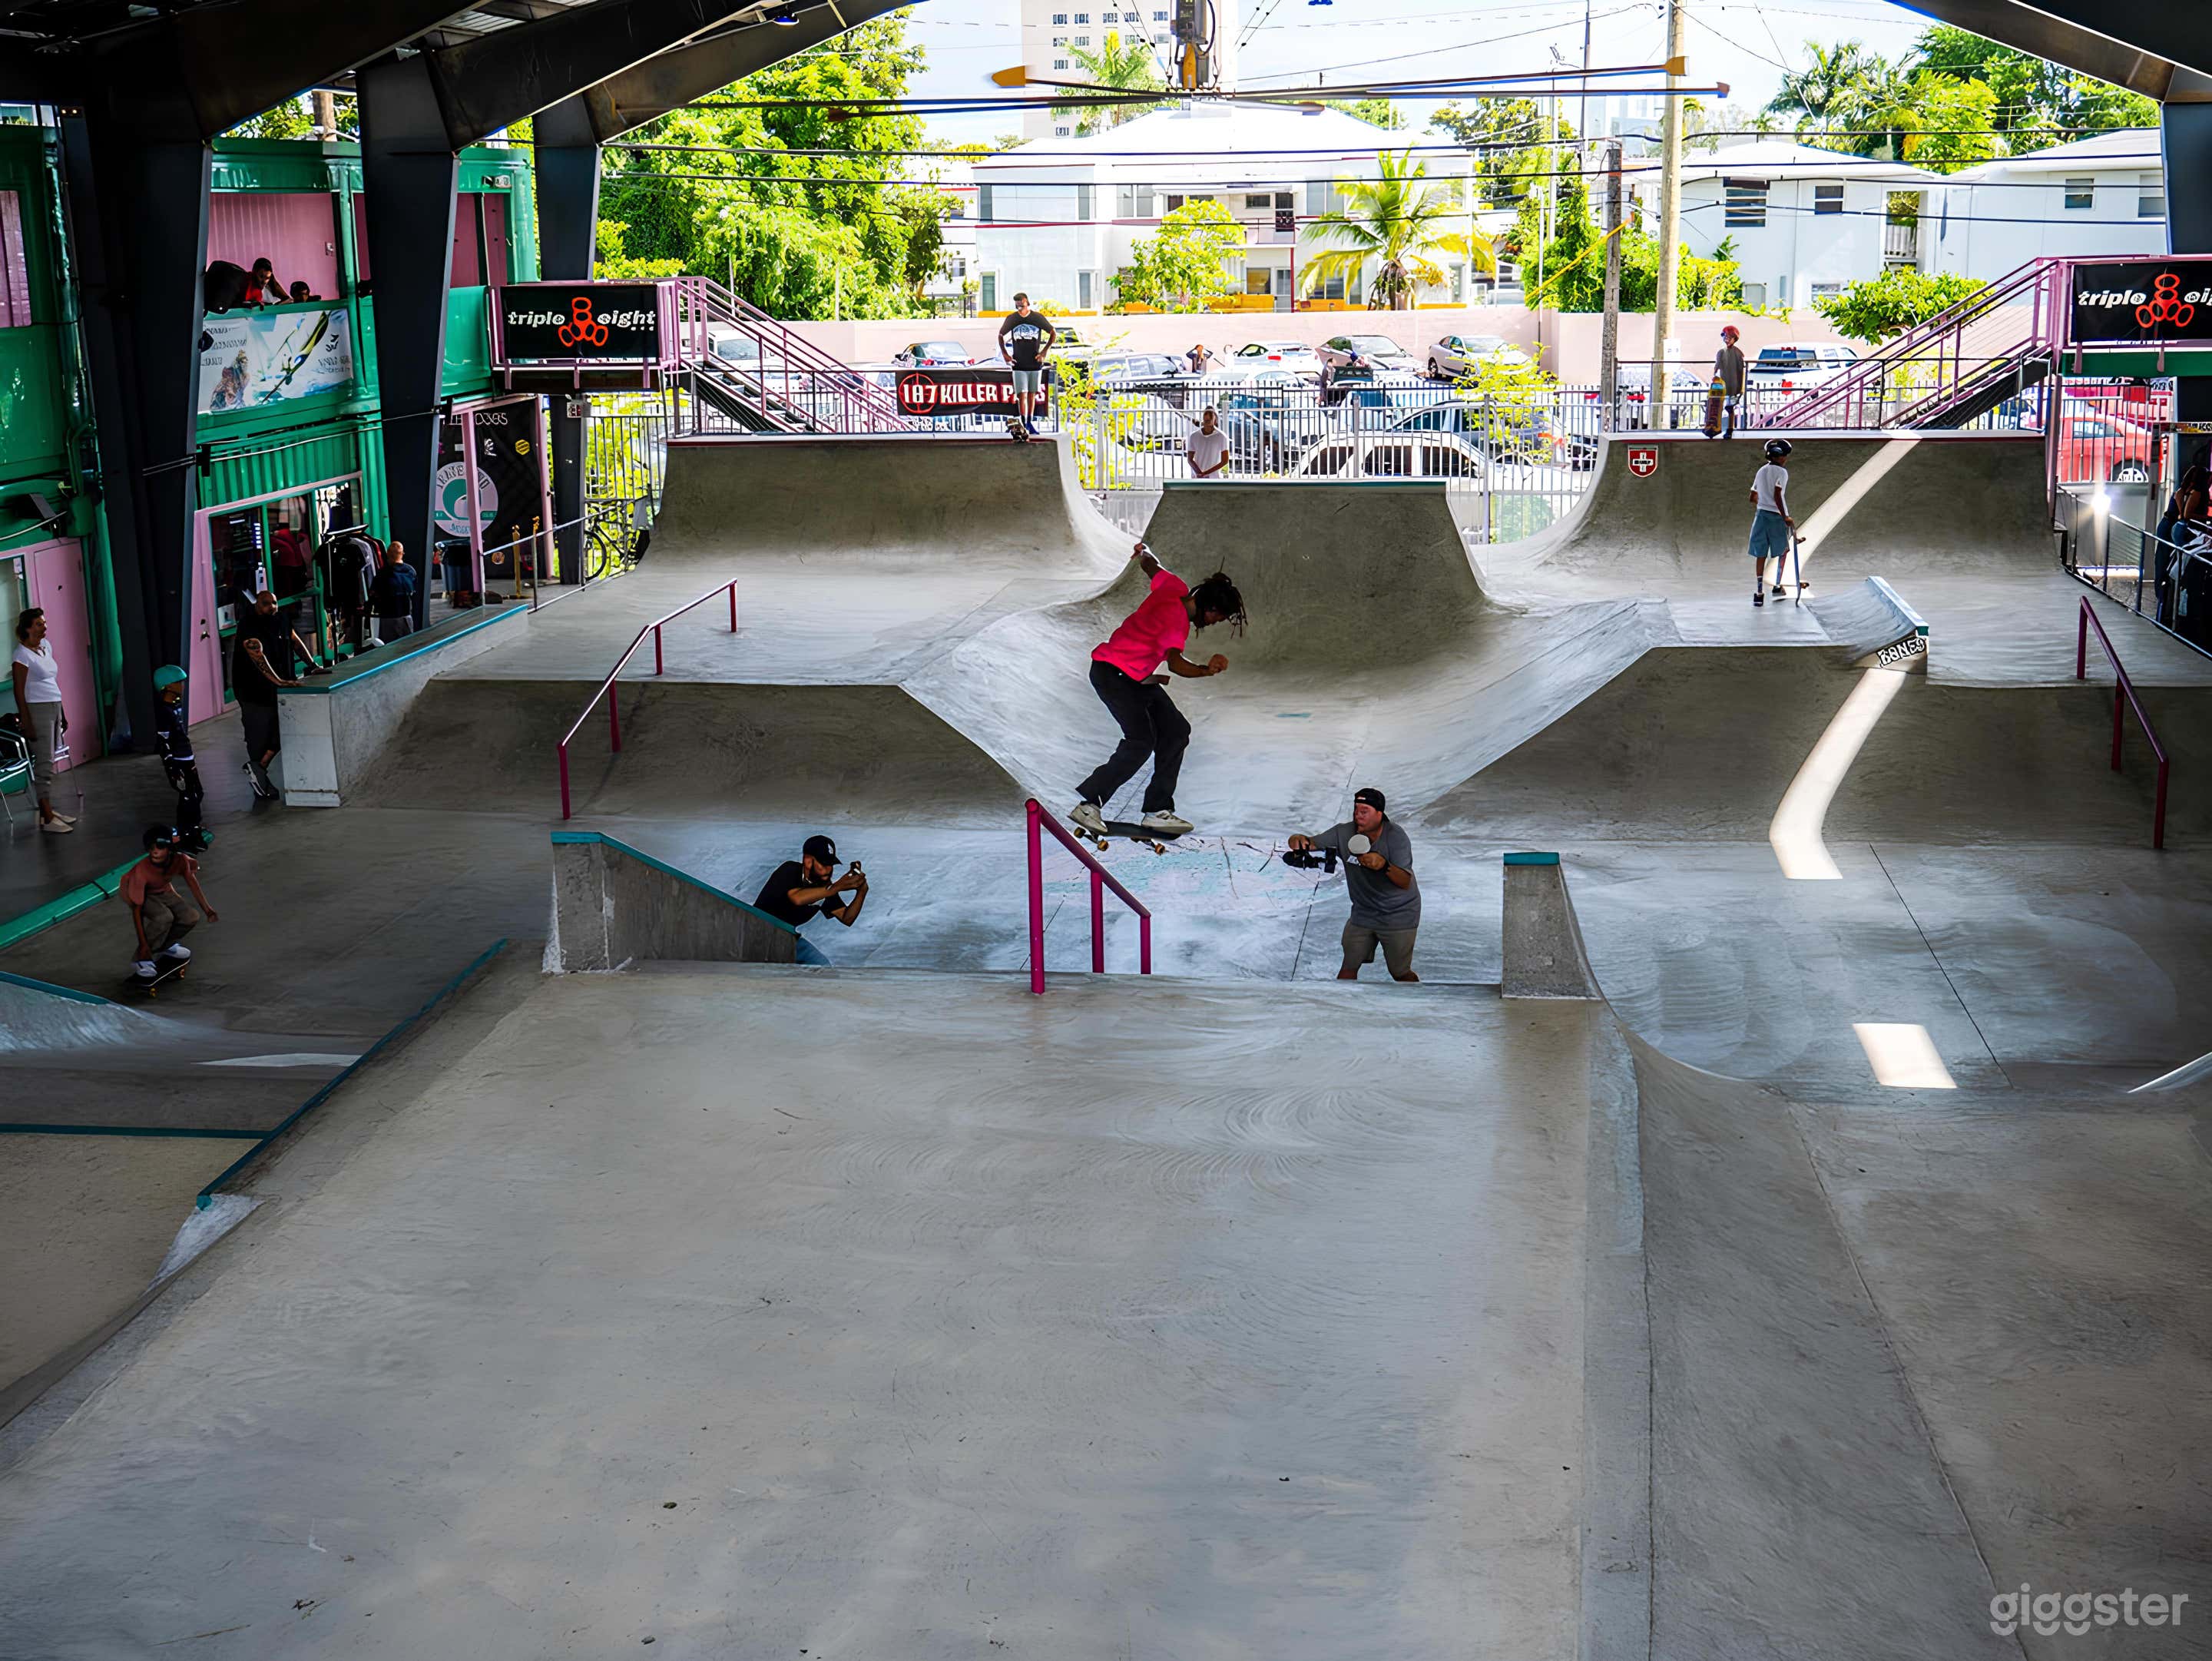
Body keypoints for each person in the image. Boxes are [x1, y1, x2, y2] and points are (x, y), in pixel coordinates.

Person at [1070, 541, 1246, 837]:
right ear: (1210, 608)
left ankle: (1157, 810)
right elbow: (1177, 665)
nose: (1216, 623)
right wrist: (1207, 670)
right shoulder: (1176, 623)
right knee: (1140, 741)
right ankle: (1089, 804)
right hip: (1113, 674)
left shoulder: (1174, 587)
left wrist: (1144, 551)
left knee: (1176, 730)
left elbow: (1152, 566)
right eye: (1219, 617)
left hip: (1137, 678)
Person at [1286, 787, 1420, 983]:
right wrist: (1297, 840)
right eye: (1356, 810)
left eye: (1364, 811)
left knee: (1399, 972)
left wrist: (1384, 866)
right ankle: (1340, 1010)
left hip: (1399, 914)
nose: (1358, 815)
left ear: (1379, 814)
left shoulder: (1396, 837)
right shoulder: (1343, 832)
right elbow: (1311, 843)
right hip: (1363, 913)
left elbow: (1405, 881)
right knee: (1348, 966)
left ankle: (1416, 1005)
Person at [121, 824, 217, 983]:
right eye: (151, 848)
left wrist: (208, 910)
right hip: (138, 893)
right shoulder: (142, 871)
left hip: (163, 890)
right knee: (164, 917)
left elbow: (192, 883)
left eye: (159, 848)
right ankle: (140, 960)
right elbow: (136, 910)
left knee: (191, 917)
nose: (155, 852)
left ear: (170, 849)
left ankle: (166, 946)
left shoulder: (180, 860)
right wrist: (144, 946)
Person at [11, 607, 74, 834]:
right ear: (28, 628)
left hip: (53, 705)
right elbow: (19, 691)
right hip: (37, 710)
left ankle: (48, 809)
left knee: (51, 758)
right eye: (39, 624)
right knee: (45, 762)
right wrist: (26, 721)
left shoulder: (46, 647)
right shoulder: (21, 655)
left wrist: (63, 712)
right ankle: (46, 815)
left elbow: (52, 683)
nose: (44, 627)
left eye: (44, 623)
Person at [752, 834, 869, 931]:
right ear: (808, 861)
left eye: (831, 864)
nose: (828, 869)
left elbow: (846, 918)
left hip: (787, 936)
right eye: (823, 864)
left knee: (819, 960)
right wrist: (836, 887)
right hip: (757, 929)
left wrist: (862, 890)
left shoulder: (826, 887)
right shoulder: (790, 870)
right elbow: (797, 898)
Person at [151, 665, 211, 850]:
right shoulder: (164, 712)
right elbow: (163, 741)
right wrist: (172, 767)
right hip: (179, 761)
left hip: (187, 757)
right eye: (178, 682)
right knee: (188, 796)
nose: (182, 685)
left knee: (195, 794)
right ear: (167, 686)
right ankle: (187, 834)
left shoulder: (175, 707)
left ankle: (190, 829)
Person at [2153, 459, 2209, 627]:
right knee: (2169, 560)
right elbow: (2185, 515)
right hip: (2172, 526)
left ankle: (2164, 598)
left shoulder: (2184, 491)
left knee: (2166, 560)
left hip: (2169, 525)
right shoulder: (2191, 493)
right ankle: (2165, 598)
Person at [996, 293, 1056, 437]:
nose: (1019, 304)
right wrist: (1005, 353)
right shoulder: (1012, 319)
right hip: (1018, 363)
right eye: (1017, 302)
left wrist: (1044, 352)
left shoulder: (1037, 318)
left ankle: (1029, 421)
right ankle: (1023, 421)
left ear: (1027, 301)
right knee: (1021, 394)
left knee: (1032, 394)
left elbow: (1053, 333)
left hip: (1035, 363)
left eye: (1021, 301)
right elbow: (1000, 335)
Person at [1746, 438, 1795, 606]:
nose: (1786, 459)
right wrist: (1785, 516)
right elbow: (1778, 495)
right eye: (1785, 456)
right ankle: (1777, 586)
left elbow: (1752, 497)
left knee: (1760, 554)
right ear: (1780, 457)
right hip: (1776, 517)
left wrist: (1763, 502)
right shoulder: (1782, 472)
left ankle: (1759, 593)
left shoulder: (1761, 471)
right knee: (1783, 550)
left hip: (1760, 516)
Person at [369, 541, 418, 645]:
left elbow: (374, 595)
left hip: (388, 618)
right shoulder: (410, 571)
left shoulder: (382, 574)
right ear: (402, 554)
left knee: (391, 648)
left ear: (387, 554)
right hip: (406, 616)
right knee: (407, 647)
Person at [1710, 324, 1747, 439]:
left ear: (1734, 339)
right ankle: (1716, 428)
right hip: (1722, 385)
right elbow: (1717, 368)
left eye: (1730, 337)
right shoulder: (1721, 352)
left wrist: (1740, 389)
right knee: (1718, 407)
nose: (1727, 339)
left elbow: (1741, 371)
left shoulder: (1738, 353)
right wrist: (1714, 379)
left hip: (1734, 385)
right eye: (1725, 337)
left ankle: (1730, 429)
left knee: (1729, 408)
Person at [1184, 406, 1230, 479]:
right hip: (1198, 478)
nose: (1207, 423)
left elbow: (1225, 461)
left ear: (1215, 420)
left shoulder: (1222, 437)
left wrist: (1204, 474)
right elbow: (1190, 459)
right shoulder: (1194, 436)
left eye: (1209, 420)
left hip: (1214, 479)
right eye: (1205, 420)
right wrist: (1199, 473)